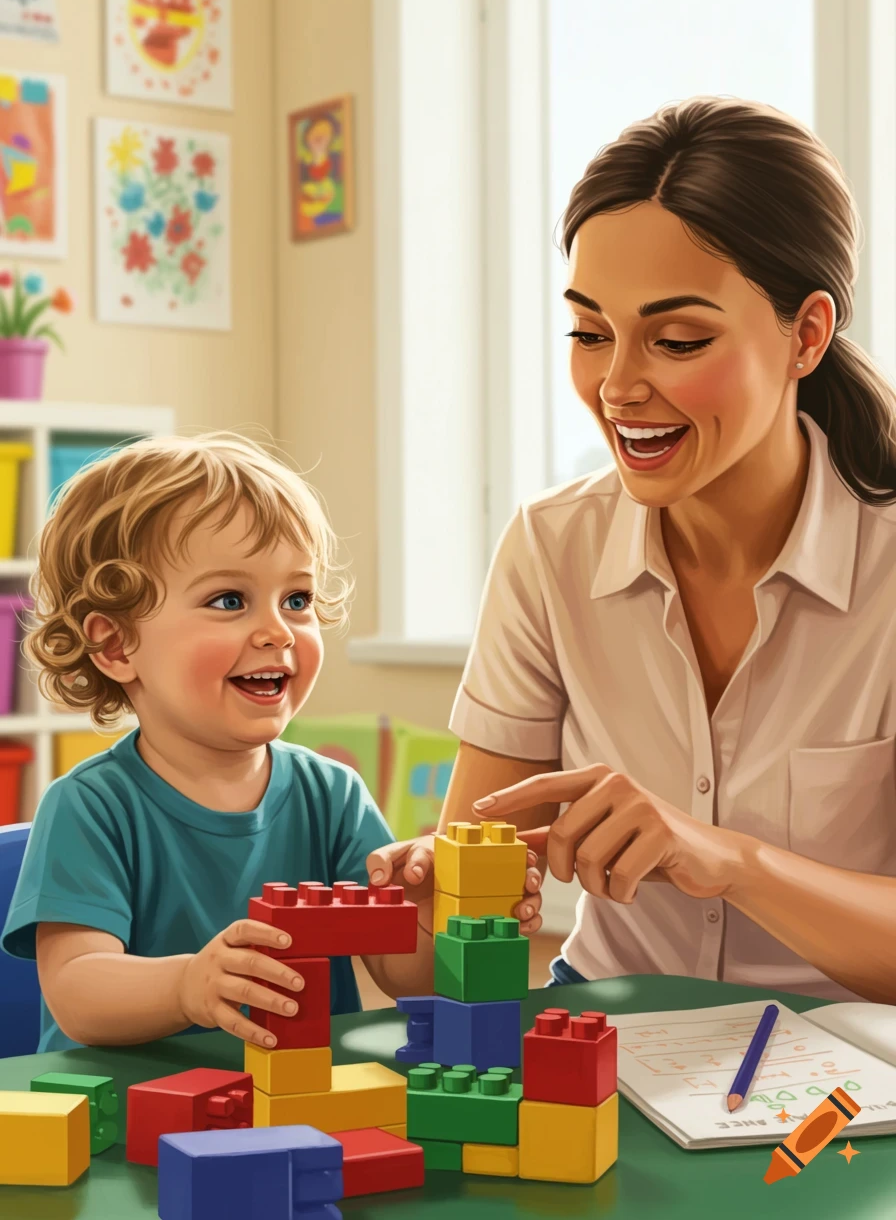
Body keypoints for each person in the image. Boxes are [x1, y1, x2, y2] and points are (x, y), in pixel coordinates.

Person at [433, 96, 896, 1007]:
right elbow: (453, 929)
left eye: (678, 340)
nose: (615, 387)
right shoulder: (549, 548)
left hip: (851, 1064)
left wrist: (727, 860)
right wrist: (435, 898)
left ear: (806, 334)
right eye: (589, 333)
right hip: (611, 1030)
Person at [1, 433, 452, 1052]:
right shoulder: (89, 807)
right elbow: (78, 991)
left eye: (297, 599)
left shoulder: (333, 795)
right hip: (125, 1114)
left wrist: (433, 914)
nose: (277, 630)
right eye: (229, 599)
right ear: (115, 645)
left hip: (292, 1102)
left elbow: (407, 980)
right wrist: (188, 985)